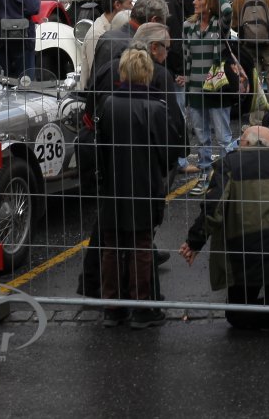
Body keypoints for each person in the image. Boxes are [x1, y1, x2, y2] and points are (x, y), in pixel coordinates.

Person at [181, 125, 269, 338]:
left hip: (246, 247)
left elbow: (214, 207)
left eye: (240, 141)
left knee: (237, 314)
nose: (238, 145)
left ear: (249, 143)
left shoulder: (230, 164)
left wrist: (194, 241)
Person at [93, 47, 173, 329]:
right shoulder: (156, 108)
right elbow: (166, 152)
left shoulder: (107, 104)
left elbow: (100, 145)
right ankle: (141, 307)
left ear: (123, 72)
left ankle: (113, 308)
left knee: (112, 246)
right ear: (147, 74)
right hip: (144, 183)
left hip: (113, 184)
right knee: (141, 244)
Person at [178, 0, 240, 176]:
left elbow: (227, 10)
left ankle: (226, 174)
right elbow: (186, 57)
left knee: (223, 137)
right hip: (195, 88)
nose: (194, 2)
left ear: (210, 3)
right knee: (201, 136)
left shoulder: (219, 25)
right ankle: (205, 171)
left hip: (217, 88)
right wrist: (185, 78)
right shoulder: (188, 26)